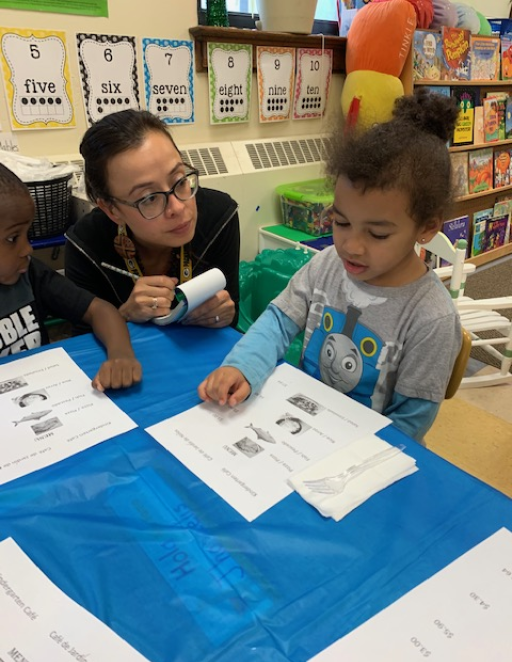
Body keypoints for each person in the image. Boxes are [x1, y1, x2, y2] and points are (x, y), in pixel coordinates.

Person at [198, 89, 463, 442]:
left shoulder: (431, 318)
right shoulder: (326, 264)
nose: (351, 246)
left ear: (427, 227)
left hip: (363, 453)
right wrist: (243, 366)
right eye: (341, 222)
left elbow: (410, 423)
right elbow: (279, 321)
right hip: (299, 424)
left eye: (378, 234)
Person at [65, 110, 240, 328]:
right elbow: (82, 346)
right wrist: (123, 316)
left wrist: (223, 316)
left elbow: (231, 316)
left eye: (179, 180)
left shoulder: (219, 216)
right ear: (112, 210)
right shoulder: (85, 245)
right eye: (149, 198)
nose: (177, 207)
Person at [0, 164, 142, 392]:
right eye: (12, 238)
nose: (28, 249)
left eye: (28, 234)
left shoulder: (30, 272)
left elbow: (101, 310)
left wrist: (121, 356)